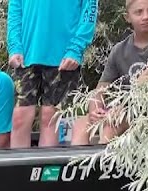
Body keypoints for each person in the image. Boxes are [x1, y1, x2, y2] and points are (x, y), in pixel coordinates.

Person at [70, 0, 148, 145]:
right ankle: (80, 167)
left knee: (112, 125)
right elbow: (101, 89)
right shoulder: (119, 50)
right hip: (127, 111)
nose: (146, 16)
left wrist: (123, 107)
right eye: (138, 12)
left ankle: (105, 166)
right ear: (127, 17)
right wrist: (95, 112)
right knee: (81, 125)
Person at [6, 0, 98, 147]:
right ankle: (19, 168)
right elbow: (15, 8)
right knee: (19, 118)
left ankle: (47, 169)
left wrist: (76, 48)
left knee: (50, 117)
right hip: (26, 55)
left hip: (63, 58)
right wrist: (14, 46)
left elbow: (90, 10)